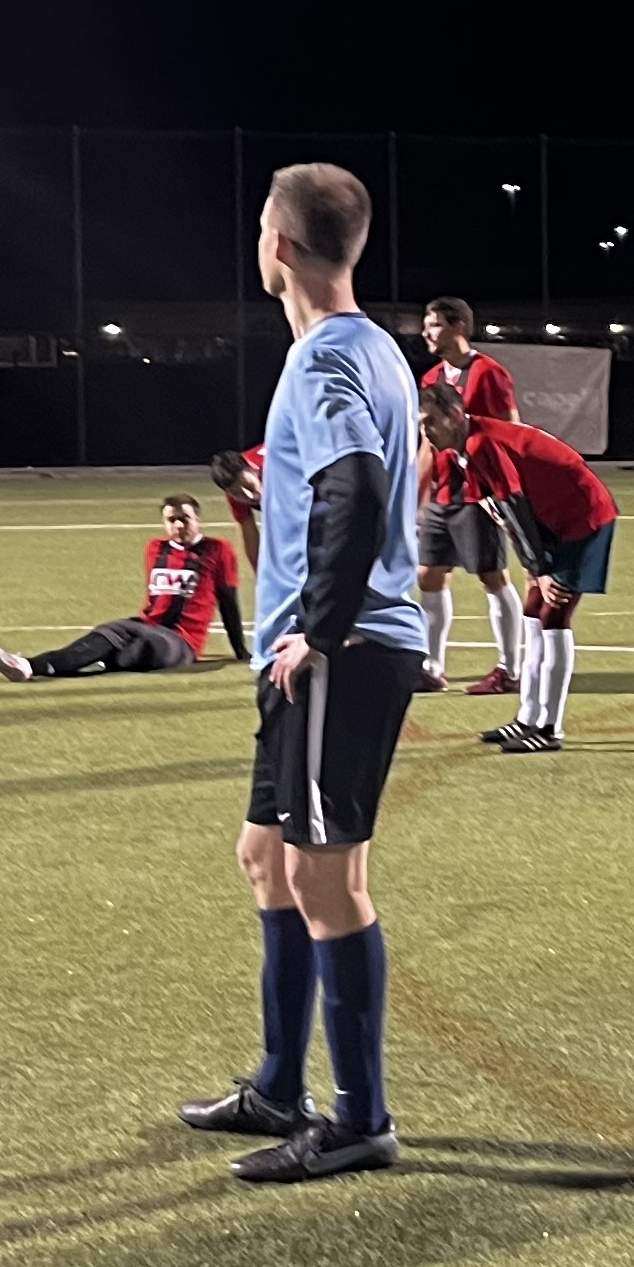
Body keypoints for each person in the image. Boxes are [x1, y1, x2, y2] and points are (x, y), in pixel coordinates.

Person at [174, 163, 435, 1181]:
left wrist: (319, 633)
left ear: (278, 247)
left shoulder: (326, 358)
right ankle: (280, 1084)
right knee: (266, 858)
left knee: (329, 880)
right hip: (324, 655)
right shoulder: (374, 347)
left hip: (342, 656)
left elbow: (356, 486)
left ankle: (362, 1119)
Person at [417, 384, 618, 752]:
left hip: (581, 519)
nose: (425, 431)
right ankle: (528, 718)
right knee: (533, 613)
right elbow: (499, 509)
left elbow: (514, 504)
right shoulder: (464, 450)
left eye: (430, 422)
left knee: (554, 615)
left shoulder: (480, 444)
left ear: (455, 415)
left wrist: (539, 567)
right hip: (551, 523)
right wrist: (533, 564)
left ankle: (550, 729)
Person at [0, 494, 247, 679]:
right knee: (123, 649)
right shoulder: (156, 548)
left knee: (124, 636)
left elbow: (228, 601)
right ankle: (28, 666)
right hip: (146, 629)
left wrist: (240, 651)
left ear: (197, 518)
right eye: (171, 520)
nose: (178, 525)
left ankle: (37, 664)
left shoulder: (218, 549)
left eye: (184, 518)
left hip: (181, 643)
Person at [414, 297, 524, 697]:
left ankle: (510, 669)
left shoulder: (489, 373)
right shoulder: (430, 379)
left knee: (492, 577)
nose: (426, 332)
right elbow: (426, 443)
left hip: (479, 493)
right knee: (428, 575)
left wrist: (507, 494)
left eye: (433, 325)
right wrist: (418, 498)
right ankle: (432, 667)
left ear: (459, 326)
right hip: (441, 494)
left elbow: (511, 433)